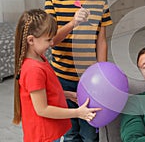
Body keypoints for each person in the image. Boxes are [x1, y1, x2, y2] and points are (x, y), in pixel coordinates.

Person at [44, 0, 113, 141]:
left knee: (90, 133)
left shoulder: (100, 2)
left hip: (89, 80)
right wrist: (74, 22)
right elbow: (52, 41)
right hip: (62, 79)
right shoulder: (53, 1)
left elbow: (101, 40)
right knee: (68, 132)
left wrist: (101, 72)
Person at [12, 9, 101, 142]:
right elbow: (42, 109)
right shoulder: (33, 70)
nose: (52, 43)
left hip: (50, 131)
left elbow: (46, 91)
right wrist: (78, 113)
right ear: (31, 40)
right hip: (44, 135)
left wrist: (68, 95)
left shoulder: (39, 58)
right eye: (48, 40)